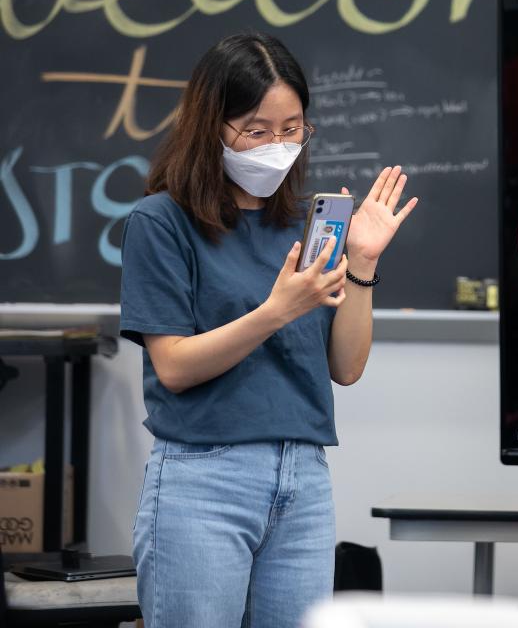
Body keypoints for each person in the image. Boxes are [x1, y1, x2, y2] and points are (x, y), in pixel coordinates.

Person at [119, 32, 418, 626]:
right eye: (256, 130)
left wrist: (362, 265)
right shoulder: (161, 221)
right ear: (211, 125)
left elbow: (347, 368)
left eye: (292, 129)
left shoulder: (307, 225)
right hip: (204, 476)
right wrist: (277, 309)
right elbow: (173, 366)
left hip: (303, 477)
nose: (277, 146)